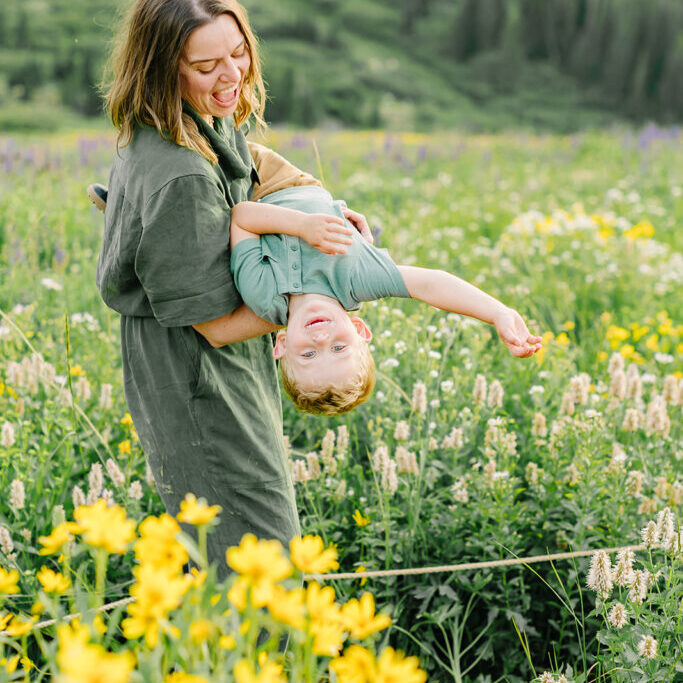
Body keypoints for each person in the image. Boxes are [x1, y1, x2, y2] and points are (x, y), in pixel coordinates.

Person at [95, 0, 372, 575]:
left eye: (239, 52)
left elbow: (247, 164)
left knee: (235, 541)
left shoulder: (191, 118)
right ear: (163, 67)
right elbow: (217, 327)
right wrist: (323, 294)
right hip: (195, 364)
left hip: (215, 345)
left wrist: (326, 214)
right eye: (207, 65)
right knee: (255, 545)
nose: (232, 75)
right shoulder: (181, 174)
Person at [220, 185, 543, 415]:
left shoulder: (262, 294)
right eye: (338, 348)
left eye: (307, 353)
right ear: (360, 330)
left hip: (255, 187)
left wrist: (302, 225)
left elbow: (243, 215)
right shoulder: (359, 280)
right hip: (292, 179)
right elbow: (431, 284)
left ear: (281, 345)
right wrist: (497, 313)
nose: (321, 338)